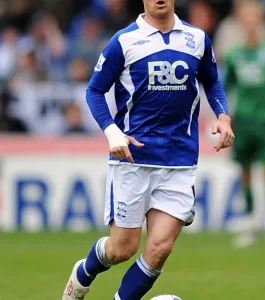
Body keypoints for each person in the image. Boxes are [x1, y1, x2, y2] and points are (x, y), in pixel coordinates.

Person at [62, 0, 234, 299]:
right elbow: (94, 90)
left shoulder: (197, 39)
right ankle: (84, 272)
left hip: (179, 159)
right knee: (122, 249)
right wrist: (112, 131)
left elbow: (213, 83)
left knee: (160, 248)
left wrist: (223, 115)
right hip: (132, 158)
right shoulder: (124, 41)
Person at [222, 1, 265, 248]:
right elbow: (224, 88)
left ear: (260, 21)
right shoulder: (235, 54)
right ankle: (250, 222)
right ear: (241, 23)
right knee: (245, 173)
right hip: (243, 121)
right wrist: (219, 118)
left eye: (253, 19)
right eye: (246, 19)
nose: (250, 24)